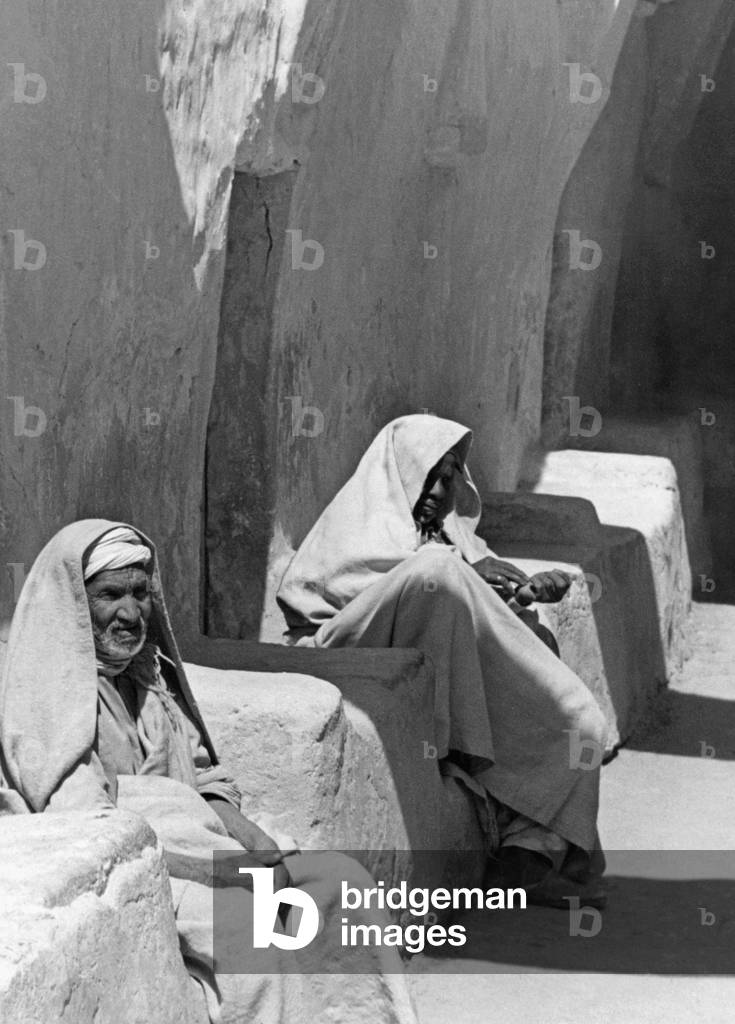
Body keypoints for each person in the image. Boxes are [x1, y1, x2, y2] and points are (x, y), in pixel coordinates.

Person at [0, 520, 418, 1024]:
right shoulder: (47, 697)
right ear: (72, 602)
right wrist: (217, 868)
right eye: (110, 595)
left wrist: (252, 841)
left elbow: (201, 776)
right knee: (249, 938)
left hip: (203, 843)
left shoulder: (150, 675)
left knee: (341, 886)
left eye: (140, 593)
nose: (130, 613)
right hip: (146, 868)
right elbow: (89, 828)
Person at [277, 414, 608, 907]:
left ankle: (530, 854)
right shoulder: (361, 523)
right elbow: (329, 596)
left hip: (442, 657)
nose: (438, 489)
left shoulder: (455, 543)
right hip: (345, 648)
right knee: (435, 570)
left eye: (450, 477)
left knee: (577, 720)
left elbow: (475, 613)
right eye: (428, 474)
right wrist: (461, 572)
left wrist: (520, 595)